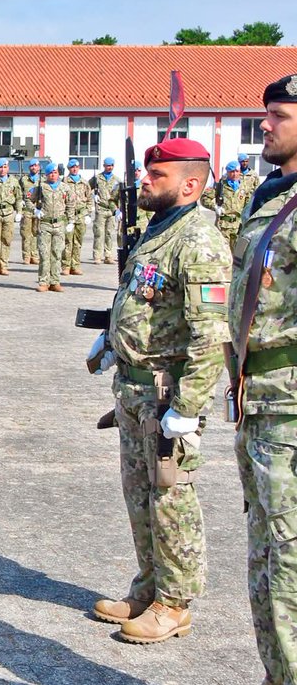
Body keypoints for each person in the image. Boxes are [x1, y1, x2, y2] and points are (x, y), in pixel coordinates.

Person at [87, 137, 228, 644]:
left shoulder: (199, 241)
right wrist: (111, 339)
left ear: (190, 184)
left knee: (171, 498)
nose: (145, 180)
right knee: (140, 496)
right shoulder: (158, 231)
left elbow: (212, 333)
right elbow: (140, 299)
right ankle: (149, 586)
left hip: (167, 395)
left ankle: (176, 603)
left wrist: (188, 408)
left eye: (158, 175)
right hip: (135, 390)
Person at [229, 74, 297, 685]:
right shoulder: (272, 194)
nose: (266, 126)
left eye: (278, 116)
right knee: (268, 555)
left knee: (291, 560)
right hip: (262, 402)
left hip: (292, 407)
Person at [30, 161, 74, 292]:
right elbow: (28, 199)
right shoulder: (41, 187)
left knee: (57, 253)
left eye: (55, 173)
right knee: (44, 253)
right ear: (47, 175)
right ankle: (44, 281)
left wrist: (71, 221)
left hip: (59, 224)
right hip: (45, 224)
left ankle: (55, 281)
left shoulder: (65, 188)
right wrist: (35, 210)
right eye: (51, 173)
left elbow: (71, 204)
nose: (53, 175)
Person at [200, 160, 249, 248]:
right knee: (223, 252)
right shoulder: (220, 185)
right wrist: (215, 207)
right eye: (231, 172)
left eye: (236, 171)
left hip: (238, 226)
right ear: (227, 172)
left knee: (237, 254)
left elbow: (248, 204)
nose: (234, 174)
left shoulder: (244, 186)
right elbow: (204, 198)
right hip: (223, 225)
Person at [62, 158, 90, 275]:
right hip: (68, 216)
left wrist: (88, 212)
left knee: (78, 241)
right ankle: (65, 266)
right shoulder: (64, 182)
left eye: (76, 167)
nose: (75, 169)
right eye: (72, 167)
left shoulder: (84, 182)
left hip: (80, 215)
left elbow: (89, 198)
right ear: (69, 169)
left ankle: (76, 265)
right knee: (68, 241)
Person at [91, 156, 121, 264]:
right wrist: (93, 196)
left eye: (111, 165)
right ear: (104, 166)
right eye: (108, 165)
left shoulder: (117, 180)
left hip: (112, 210)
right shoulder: (97, 178)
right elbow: (87, 187)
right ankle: (97, 256)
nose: (110, 167)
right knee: (99, 233)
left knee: (109, 233)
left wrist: (119, 209)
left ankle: (108, 255)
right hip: (101, 208)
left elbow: (120, 195)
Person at [19, 158, 42, 264]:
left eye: (36, 165)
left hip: (38, 210)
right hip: (27, 211)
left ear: (39, 167)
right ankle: (26, 256)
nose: (34, 167)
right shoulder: (24, 179)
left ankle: (35, 255)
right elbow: (19, 193)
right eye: (32, 166)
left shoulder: (43, 179)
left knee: (36, 233)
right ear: (29, 167)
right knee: (26, 234)